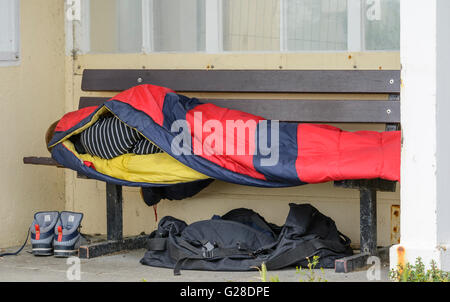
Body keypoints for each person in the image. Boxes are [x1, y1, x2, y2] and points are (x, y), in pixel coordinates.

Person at [46, 113, 162, 158]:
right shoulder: (89, 122)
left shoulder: (92, 156)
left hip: (143, 141)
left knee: (138, 149)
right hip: (138, 119)